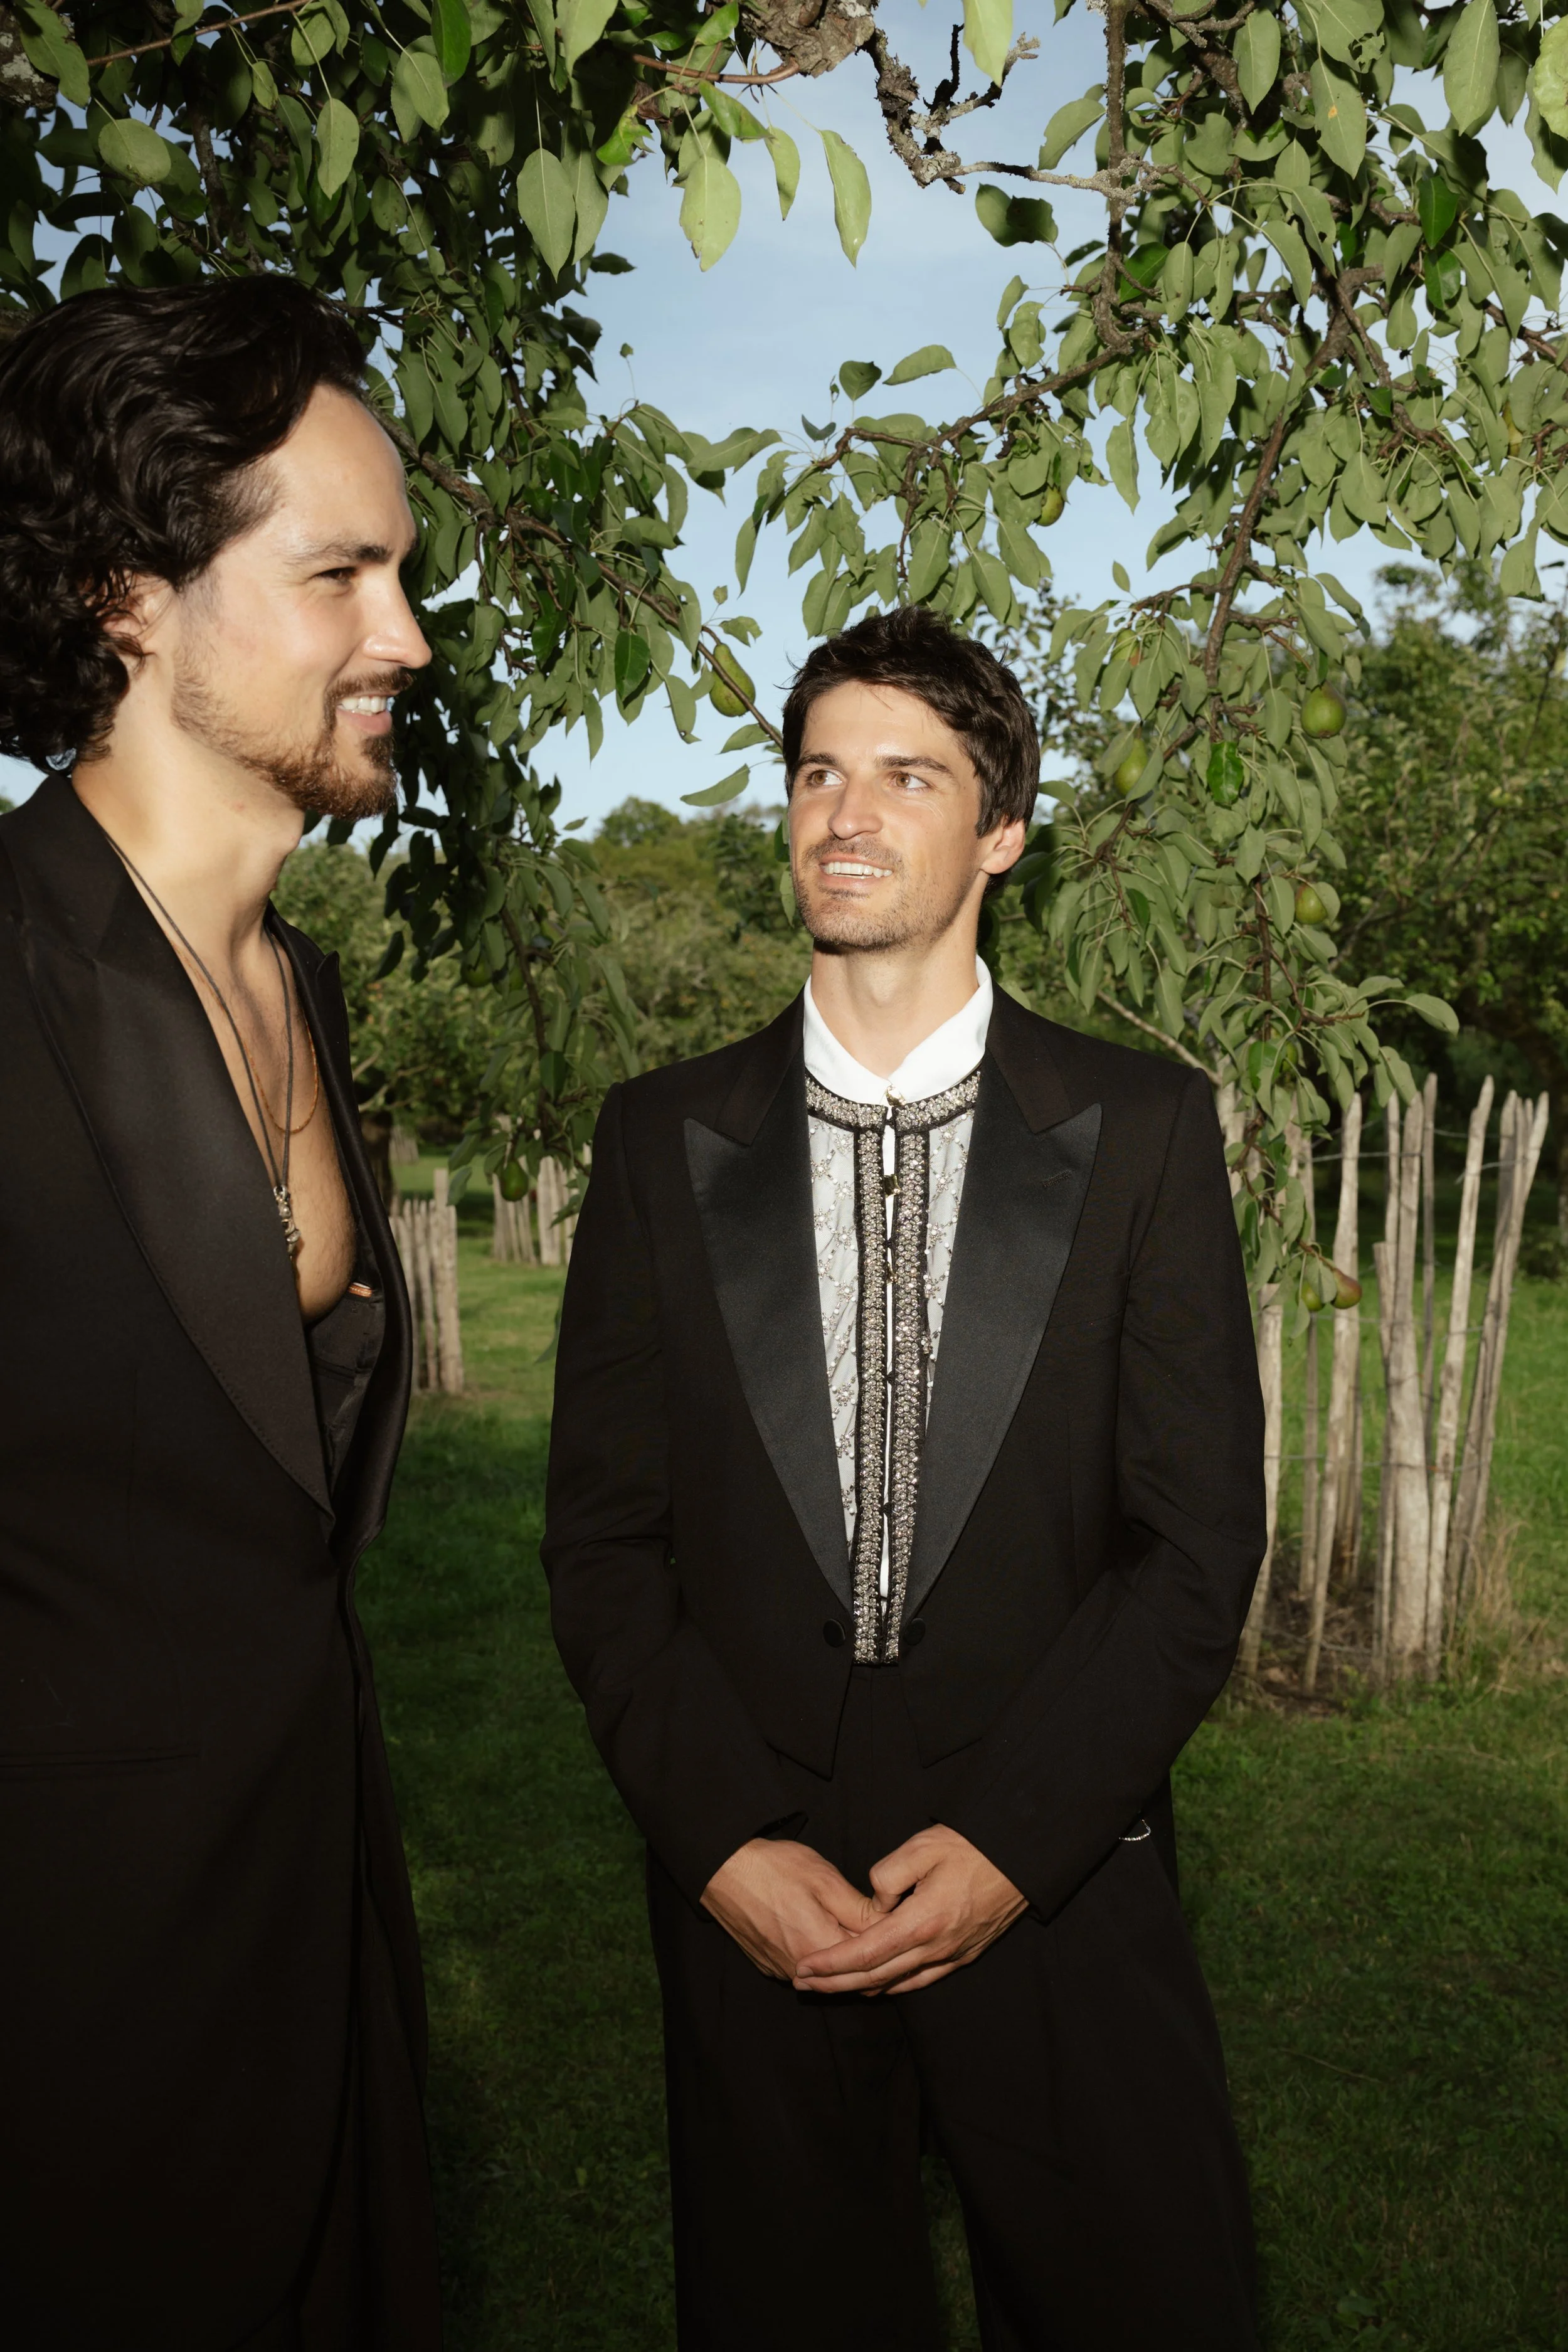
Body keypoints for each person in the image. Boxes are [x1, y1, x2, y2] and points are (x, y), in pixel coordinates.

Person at [544, 605, 1267, 2349]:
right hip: (755, 1842)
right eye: (814, 770)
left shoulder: (1142, 1127)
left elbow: (1192, 1544)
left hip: (1056, 1833)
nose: (841, 813)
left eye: (904, 775)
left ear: (1001, 830)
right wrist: (716, 1836)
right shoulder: (661, 1138)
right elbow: (602, 1540)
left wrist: (1025, 1839)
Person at [0, 278, 443, 2349]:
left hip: (310, 1984)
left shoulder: (310, 994)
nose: (406, 640)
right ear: (130, 596)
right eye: (340, 571)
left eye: (408, 576)